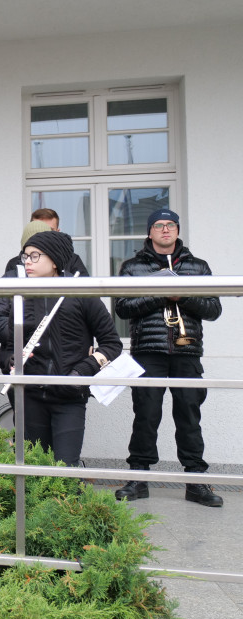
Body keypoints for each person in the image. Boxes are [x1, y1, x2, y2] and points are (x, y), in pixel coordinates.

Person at [113, 208, 224, 507]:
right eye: (159, 225)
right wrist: (162, 294)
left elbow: (214, 309)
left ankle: (196, 482)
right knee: (146, 415)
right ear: (149, 232)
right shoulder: (132, 267)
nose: (165, 230)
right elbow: (122, 308)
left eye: (170, 225)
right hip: (148, 352)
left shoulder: (198, 267)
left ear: (177, 230)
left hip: (187, 351)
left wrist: (182, 296)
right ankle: (139, 478)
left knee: (190, 416)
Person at [0, 230, 122, 467]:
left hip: (70, 396)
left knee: (64, 468)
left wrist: (81, 372)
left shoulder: (82, 293)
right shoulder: (21, 296)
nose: (27, 261)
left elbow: (112, 344)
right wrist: (13, 361)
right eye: (25, 256)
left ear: (55, 260)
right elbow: (10, 346)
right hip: (30, 395)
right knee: (35, 467)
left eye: (35, 255)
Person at [4, 212, 89, 275]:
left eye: (50, 230)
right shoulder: (13, 266)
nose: (41, 236)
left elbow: (87, 293)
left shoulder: (72, 260)